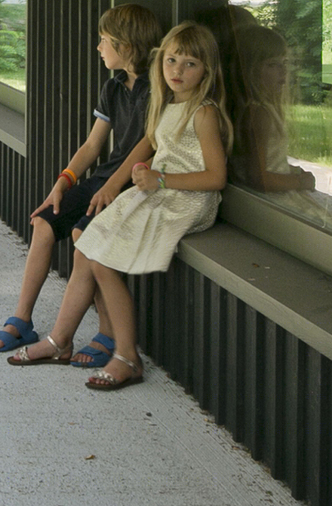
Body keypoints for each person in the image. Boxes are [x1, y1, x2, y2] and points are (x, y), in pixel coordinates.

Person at [0, 3, 162, 372]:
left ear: (126, 46)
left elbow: (149, 144)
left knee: (86, 236)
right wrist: (62, 183)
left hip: (131, 184)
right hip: (105, 177)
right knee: (43, 222)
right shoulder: (113, 87)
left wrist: (113, 187)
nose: (99, 48)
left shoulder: (156, 89)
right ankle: (22, 321)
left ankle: (105, 332)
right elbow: (92, 146)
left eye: (104, 41)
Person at [65, 22, 231, 392]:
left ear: (207, 70)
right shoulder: (168, 103)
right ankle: (107, 346)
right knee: (92, 246)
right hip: (161, 189)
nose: (177, 71)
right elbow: (148, 144)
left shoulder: (203, 113)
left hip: (187, 199)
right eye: (171, 60)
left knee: (102, 258)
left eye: (189, 64)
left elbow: (216, 177)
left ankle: (126, 356)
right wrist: (119, 182)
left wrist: (161, 180)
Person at [227, 24, 318, 193]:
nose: (283, 71)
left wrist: (292, 171)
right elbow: (259, 178)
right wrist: (299, 182)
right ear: (250, 70)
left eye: (284, 63)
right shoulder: (259, 114)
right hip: (272, 198)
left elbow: (271, 162)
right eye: (272, 65)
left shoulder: (262, 109)